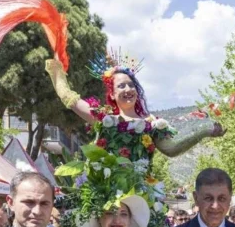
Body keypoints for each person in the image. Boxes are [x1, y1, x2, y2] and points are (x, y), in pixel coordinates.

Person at [46, 51, 224, 165]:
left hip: (141, 196)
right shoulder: (104, 119)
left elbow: (172, 149)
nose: (128, 89)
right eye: (121, 86)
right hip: (106, 192)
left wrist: (205, 132)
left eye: (131, 85)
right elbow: (69, 97)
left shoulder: (152, 123)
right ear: (112, 95)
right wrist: (57, 70)